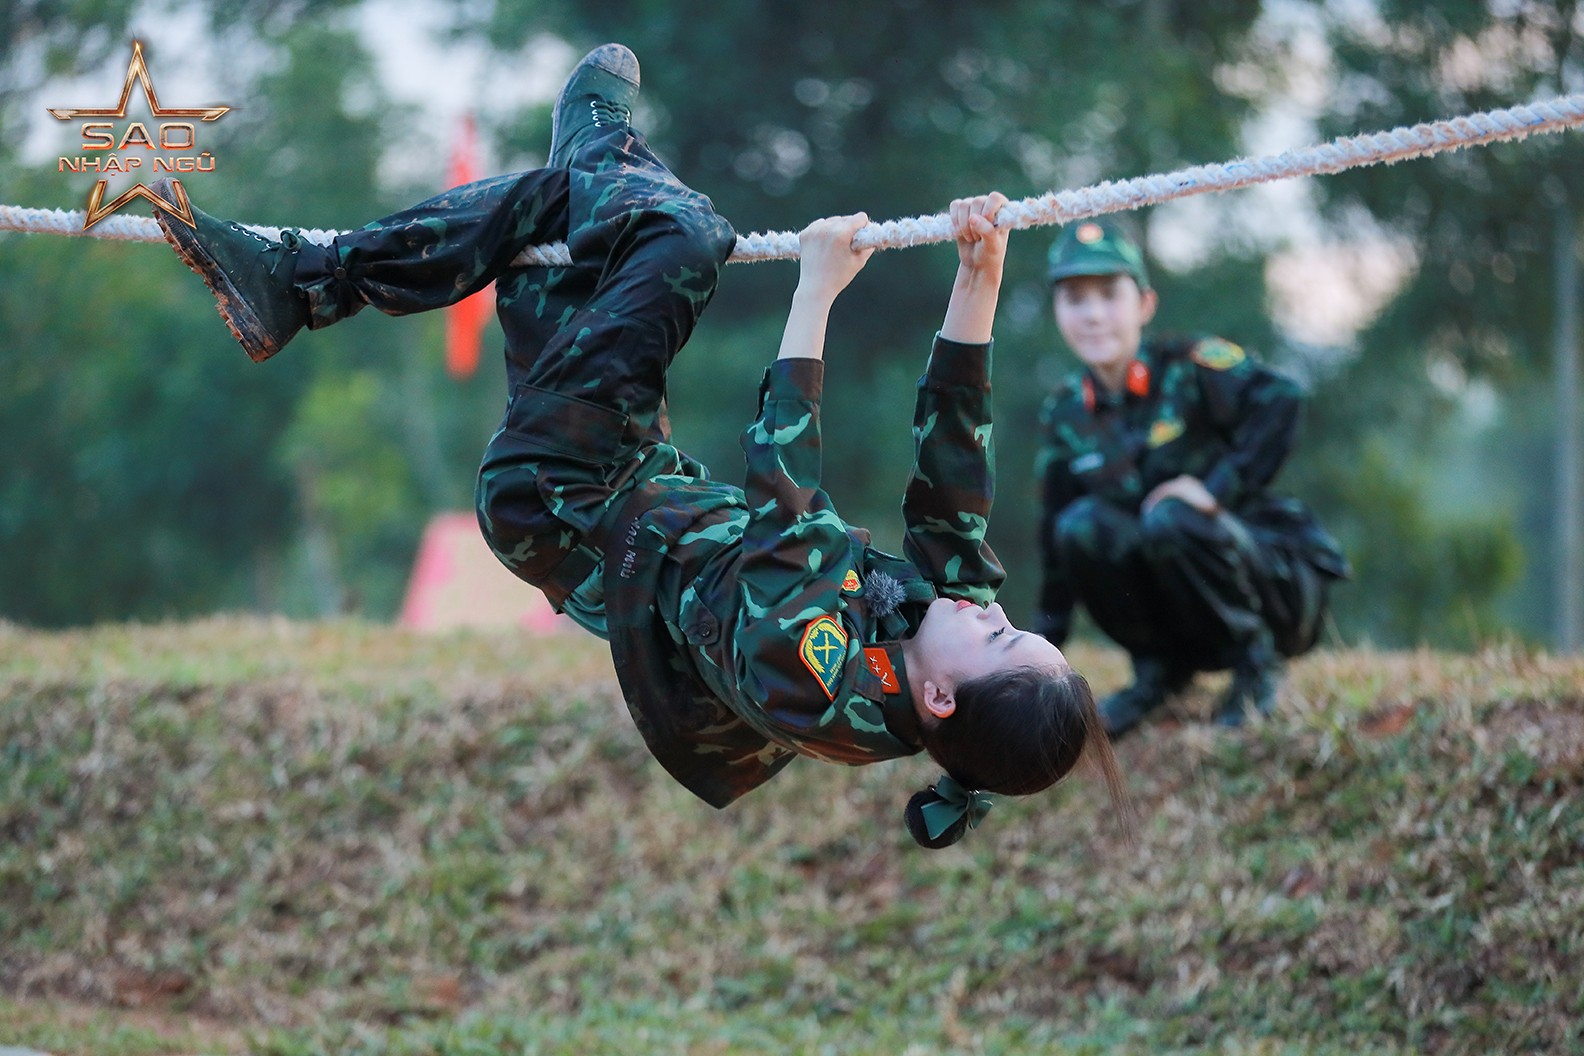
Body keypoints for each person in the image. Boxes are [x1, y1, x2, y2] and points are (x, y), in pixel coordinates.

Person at [151, 44, 1127, 849]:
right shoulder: (945, 629)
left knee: (689, 233)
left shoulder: (821, 676)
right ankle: (573, 158)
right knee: (569, 213)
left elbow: (785, 488)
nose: (986, 608)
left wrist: (817, 290)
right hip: (626, 468)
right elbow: (954, 478)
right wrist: (981, 275)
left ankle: (321, 278)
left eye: (1000, 634)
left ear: (943, 697)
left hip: (563, 498)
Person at [1032, 215, 1348, 739]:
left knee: (1171, 514)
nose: (1093, 315)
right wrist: (1036, 666)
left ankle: (1257, 667)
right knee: (1079, 528)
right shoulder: (1067, 412)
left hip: (1270, 591)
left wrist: (1215, 490)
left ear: (1145, 304)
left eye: (1109, 295)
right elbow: (1054, 540)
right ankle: (1159, 676)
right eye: (1074, 298)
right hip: (1183, 613)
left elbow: (1283, 398)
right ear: (1058, 311)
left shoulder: (1191, 366)